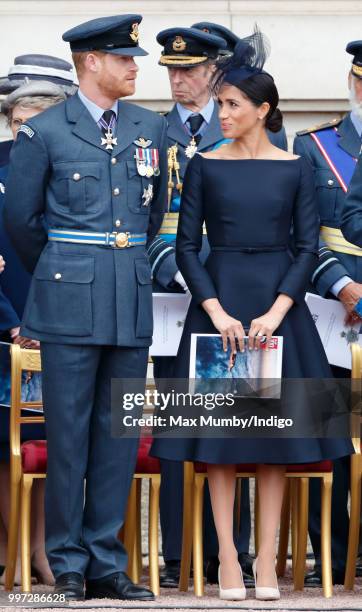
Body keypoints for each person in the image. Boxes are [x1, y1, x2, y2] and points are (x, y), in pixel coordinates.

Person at [151, 29, 353, 602]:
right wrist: (214, 310)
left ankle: (266, 564)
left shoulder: (294, 168)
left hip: (278, 313)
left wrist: (278, 310)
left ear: (264, 110)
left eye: (233, 105)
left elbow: (308, 247)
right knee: (220, 445)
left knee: (274, 445)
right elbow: (187, 247)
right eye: (219, 104)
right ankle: (231, 565)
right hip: (220, 311)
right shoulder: (204, 167)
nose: (223, 114)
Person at [4, 13, 167, 601]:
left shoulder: (150, 126)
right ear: (90, 62)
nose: (133, 67)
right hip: (69, 297)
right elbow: (21, 222)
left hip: (129, 294)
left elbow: (152, 213)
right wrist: (62, 271)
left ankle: (107, 559)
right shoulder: (44, 131)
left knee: (118, 434)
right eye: (123, 58)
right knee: (69, 434)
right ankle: (66, 559)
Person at [148, 25, 287, 588]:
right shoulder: (147, 132)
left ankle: (243, 553)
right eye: (172, 71)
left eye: (192, 70)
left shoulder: (255, 130)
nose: (179, 80)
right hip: (178, 297)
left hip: (250, 300)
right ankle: (185, 556)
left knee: (251, 427)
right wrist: (196, 285)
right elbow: (149, 225)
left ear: (218, 73)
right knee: (191, 431)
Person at [0, 68, 77, 586]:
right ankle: (15, 552)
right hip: (8, 321)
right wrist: (11, 324)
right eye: (17, 122)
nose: (26, 133)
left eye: (37, 123)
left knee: (53, 443)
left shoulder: (73, 167)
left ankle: (43, 550)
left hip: (60, 323)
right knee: (5, 448)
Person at [293, 39, 362, 586]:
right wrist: (342, 286)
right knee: (335, 432)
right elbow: (305, 236)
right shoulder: (315, 146)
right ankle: (335, 556)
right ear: (355, 84)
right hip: (335, 308)